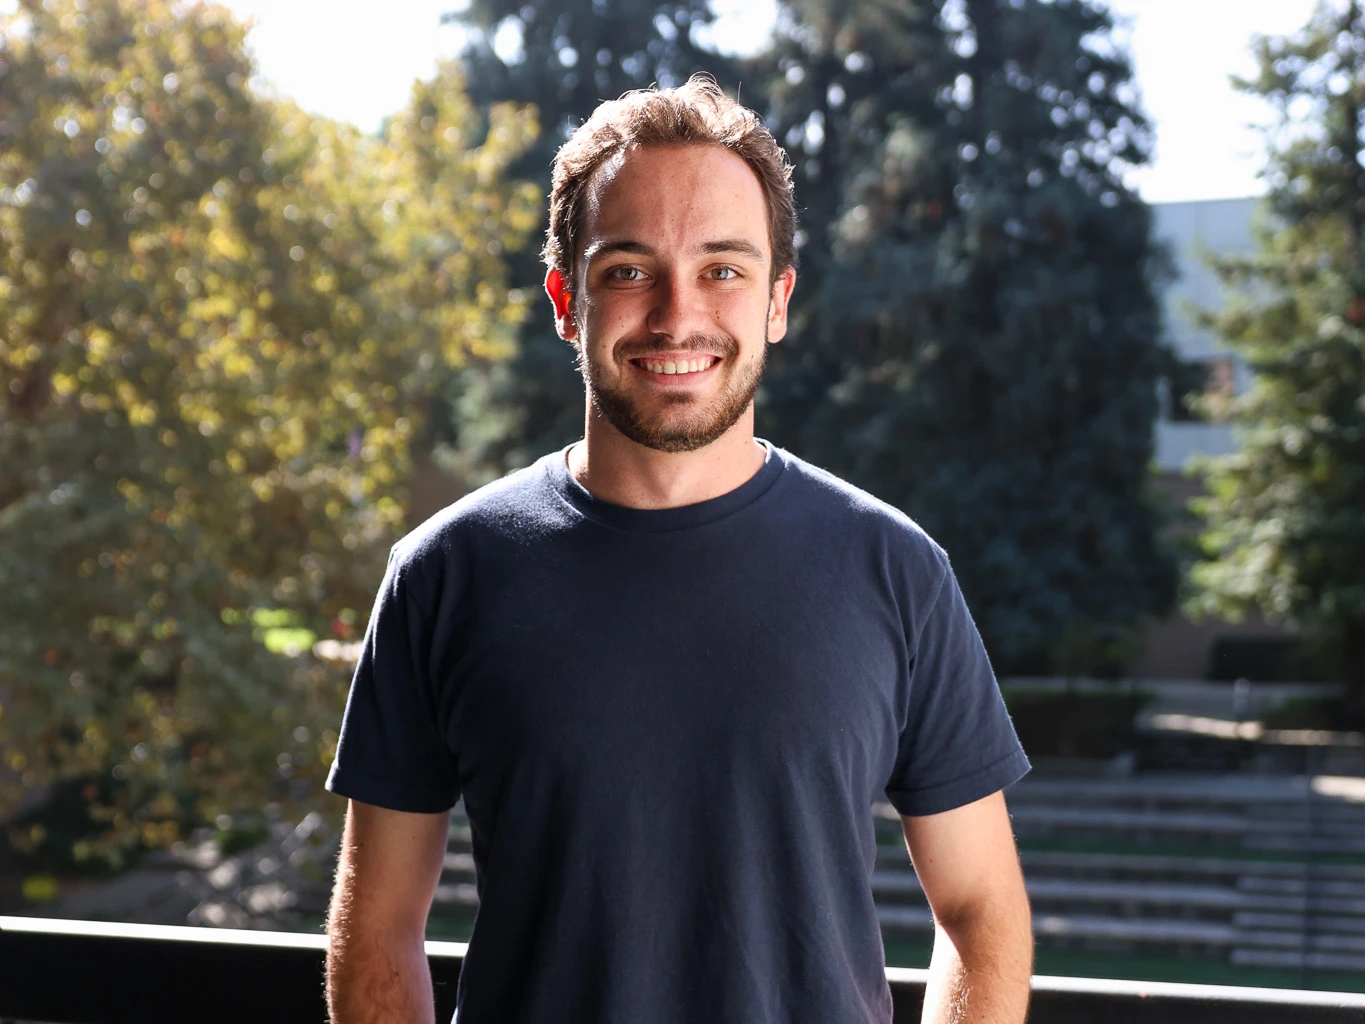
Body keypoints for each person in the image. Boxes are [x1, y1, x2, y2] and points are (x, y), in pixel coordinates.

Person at [324, 74, 1033, 1024]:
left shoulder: (895, 571)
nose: (674, 315)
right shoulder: (444, 575)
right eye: (626, 269)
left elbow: (980, 911)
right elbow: (376, 931)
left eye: (723, 269)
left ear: (776, 300)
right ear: (566, 298)